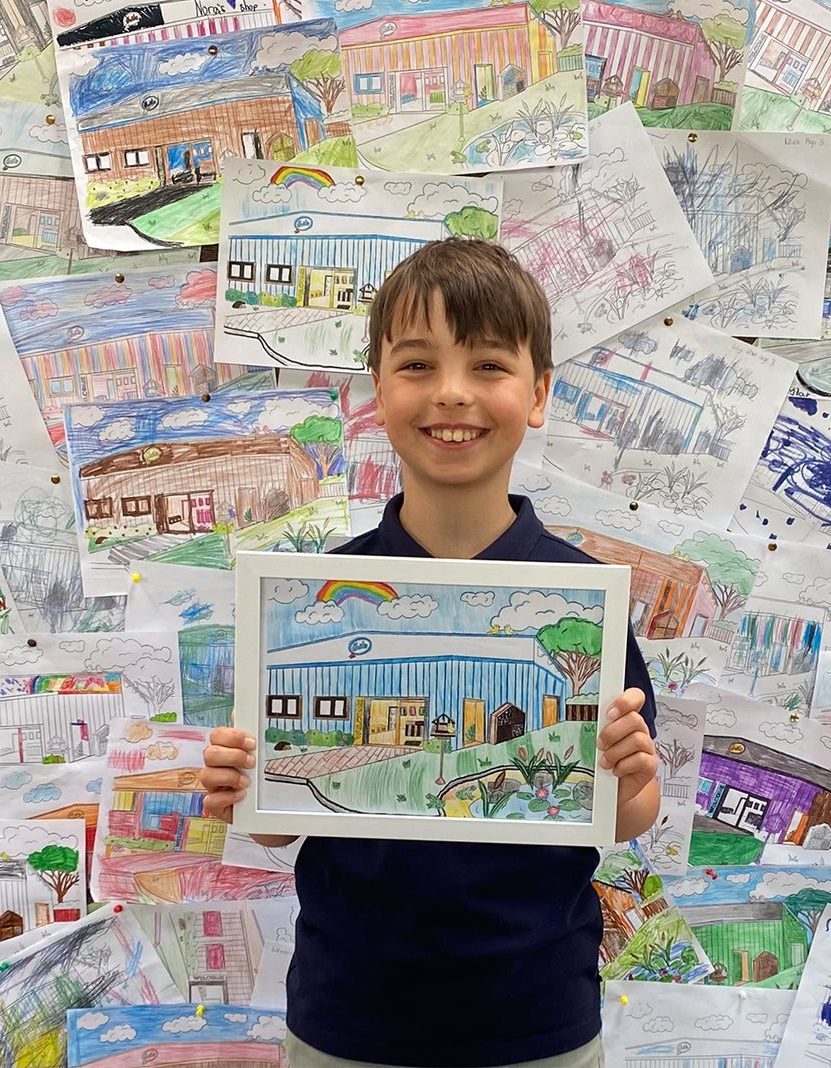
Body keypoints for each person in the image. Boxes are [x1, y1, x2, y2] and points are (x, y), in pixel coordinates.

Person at [200, 240, 661, 1068]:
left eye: (489, 364)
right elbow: (276, 832)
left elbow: (624, 818)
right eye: (417, 364)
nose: (453, 393)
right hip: (347, 1019)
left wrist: (632, 779)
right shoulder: (305, 597)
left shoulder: (589, 601)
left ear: (540, 393)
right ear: (377, 393)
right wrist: (246, 789)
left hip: (538, 1021)